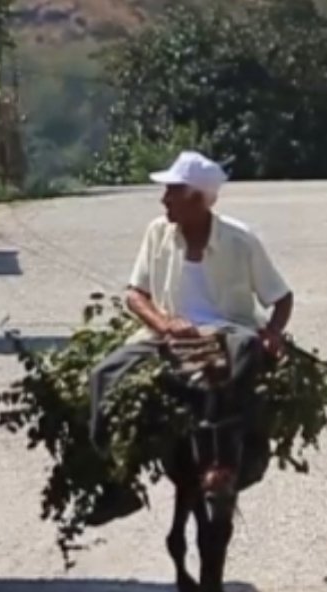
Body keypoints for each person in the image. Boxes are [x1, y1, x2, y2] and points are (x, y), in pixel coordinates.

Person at [85, 150, 293, 526]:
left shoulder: (240, 241)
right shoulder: (157, 233)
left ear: (198, 198)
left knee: (246, 348)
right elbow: (135, 294)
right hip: (166, 334)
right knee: (103, 374)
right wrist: (164, 323)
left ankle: (229, 457)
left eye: (172, 191)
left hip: (227, 330)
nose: (164, 200)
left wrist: (273, 333)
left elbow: (280, 297)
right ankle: (116, 482)